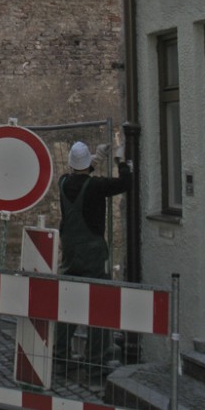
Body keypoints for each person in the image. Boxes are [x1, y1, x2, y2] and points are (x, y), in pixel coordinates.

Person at [55, 138, 132, 387]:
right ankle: (95, 361)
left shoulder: (63, 183)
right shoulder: (97, 187)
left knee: (67, 304)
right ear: (87, 164)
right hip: (92, 255)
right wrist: (121, 161)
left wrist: (94, 160)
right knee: (97, 306)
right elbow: (124, 184)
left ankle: (61, 356)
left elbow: (80, 179)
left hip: (69, 254)